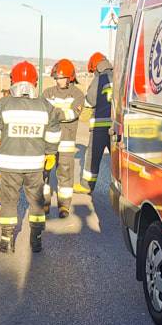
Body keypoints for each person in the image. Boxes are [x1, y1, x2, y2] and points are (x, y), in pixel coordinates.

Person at [0, 61, 61, 254]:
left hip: (9, 163)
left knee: (9, 201)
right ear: (35, 82)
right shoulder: (45, 106)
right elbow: (54, 131)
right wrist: (50, 153)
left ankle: (6, 241)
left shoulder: (4, 104)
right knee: (36, 202)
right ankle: (36, 241)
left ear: (13, 81)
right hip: (36, 164)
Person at [41, 59, 84, 218]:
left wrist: (53, 114)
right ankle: (44, 203)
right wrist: (56, 114)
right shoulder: (47, 93)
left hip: (66, 142)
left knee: (65, 173)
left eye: (62, 78)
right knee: (43, 172)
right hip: (47, 141)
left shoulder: (78, 95)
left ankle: (64, 206)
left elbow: (72, 114)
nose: (58, 81)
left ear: (70, 77)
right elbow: (43, 113)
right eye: (57, 78)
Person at [74, 52, 113, 194]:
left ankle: (87, 186)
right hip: (116, 126)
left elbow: (90, 101)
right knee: (116, 160)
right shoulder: (119, 76)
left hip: (100, 126)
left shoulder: (100, 78)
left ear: (95, 67)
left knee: (92, 157)